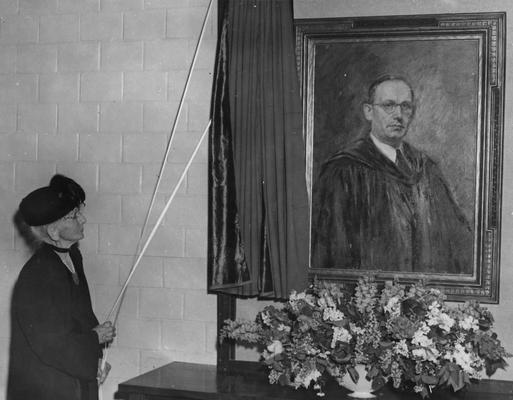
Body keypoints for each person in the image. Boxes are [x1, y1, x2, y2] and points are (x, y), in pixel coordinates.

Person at [311, 75, 473, 274]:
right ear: (369, 111)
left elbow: (457, 241)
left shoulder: (426, 169)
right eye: (389, 105)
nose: (398, 115)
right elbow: (331, 249)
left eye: (406, 107)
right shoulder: (343, 170)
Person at [8, 174, 116, 400]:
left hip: (72, 378)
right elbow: (51, 343)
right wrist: (94, 338)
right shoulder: (38, 274)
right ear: (54, 232)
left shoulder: (72, 257)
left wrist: (95, 360)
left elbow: (80, 318)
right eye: (74, 216)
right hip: (47, 387)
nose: (83, 220)